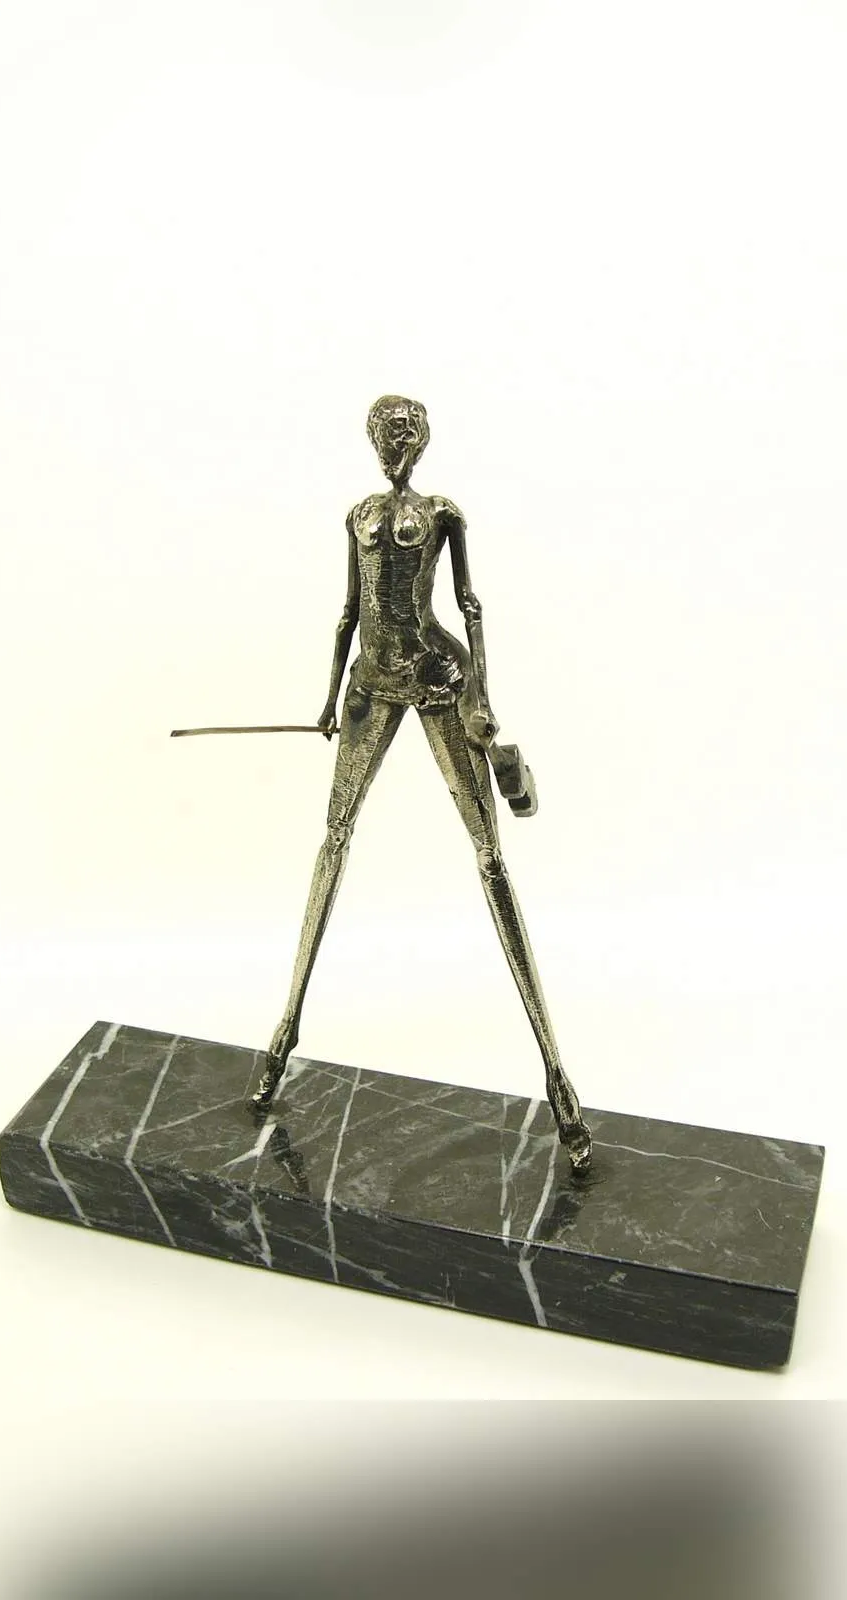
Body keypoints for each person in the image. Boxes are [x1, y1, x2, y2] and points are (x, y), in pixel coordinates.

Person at [250, 395, 592, 1172]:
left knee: (489, 857)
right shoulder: (359, 515)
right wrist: (328, 695)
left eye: (405, 433)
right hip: (371, 684)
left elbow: (469, 605)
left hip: (438, 678)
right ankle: (283, 1032)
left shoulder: (440, 513)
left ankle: (558, 1080)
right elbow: (348, 611)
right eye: (383, 433)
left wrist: (482, 694)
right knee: (333, 839)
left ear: (424, 440)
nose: (393, 444)